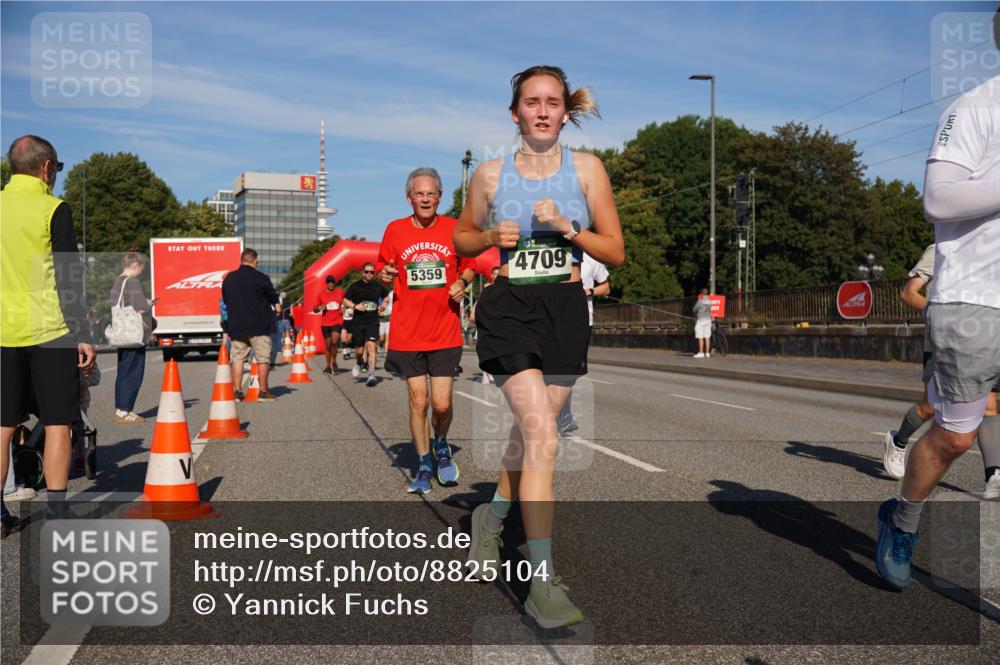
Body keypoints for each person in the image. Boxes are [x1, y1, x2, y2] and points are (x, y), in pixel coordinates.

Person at [454, 65, 624, 627]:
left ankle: (491, 517)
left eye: (553, 102)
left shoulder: (588, 169)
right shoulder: (490, 175)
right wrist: (487, 236)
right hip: (509, 309)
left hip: (565, 311)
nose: (544, 110)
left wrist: (570, 229)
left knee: (534, 432)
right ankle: (542, 583)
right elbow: (461, 237)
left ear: (565, 113)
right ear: (516, 113)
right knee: (544, 436)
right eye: (533, 101)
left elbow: (615, 252)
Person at [875, 67, 999, 590]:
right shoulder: (975, 107)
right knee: (956, 437)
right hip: (976, 299)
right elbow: (938, 199)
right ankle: (902, 521)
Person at [1, 134, 96, 533]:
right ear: (45, 168)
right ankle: (57, 514)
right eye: (56, 168)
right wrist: (82, 333)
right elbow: (68, 275)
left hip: (3, 330)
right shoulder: (54, 209)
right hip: (49, 329)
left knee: (2, 425)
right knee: (58, 421)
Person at [377, 167, 477, 493]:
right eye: (419, 193)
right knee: (419, 401)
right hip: (408, 331)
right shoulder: (395, 230)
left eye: (431, 193)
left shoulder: (454, 228)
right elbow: (381, 268)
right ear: (409, 198)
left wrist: (462, 283)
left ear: (439, 197)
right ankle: (423, 462)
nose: (425, 199)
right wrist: (385, 273)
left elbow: (471, 265)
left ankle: (441, 443)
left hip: (445, 330)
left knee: (442, 404)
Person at [882, 243, 1000, 492]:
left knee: (990, 403)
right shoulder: (940, 249)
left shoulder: (991, 249)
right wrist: (943, 315)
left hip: (984, 338)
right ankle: (898, 440)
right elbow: (909, 293)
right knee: (931, 406)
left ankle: (993, 476)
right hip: (944, 337)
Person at [556, 251, 610, 435]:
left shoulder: (591, 256)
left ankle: (563, 414)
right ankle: (558, 415)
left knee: (570, 370)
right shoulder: (554, 251)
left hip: (582, 320)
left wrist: (589, 291)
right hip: (553, 318)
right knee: (552, 368)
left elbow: (606, 288)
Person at [221, 248, 280, 401]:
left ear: (242, 260)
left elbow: (226, 300)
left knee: (238, 358)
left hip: (237, 326)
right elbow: (273, 296)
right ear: (255, 261)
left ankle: (237, 392)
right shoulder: (261, 278)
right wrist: (276, 305)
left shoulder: (229, 279)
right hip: (259, 326)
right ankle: (263, 392)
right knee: (263, 359)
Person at [109, 252, 154, 424]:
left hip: (122, 333)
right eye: (141, 268)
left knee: (123, 371)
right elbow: (140, 308)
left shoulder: (117, 282)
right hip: (133, 334)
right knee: (133, 372)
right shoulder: (132, 282)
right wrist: (148, 304)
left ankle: (121, 408)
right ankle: (125, 410)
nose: (141, 271)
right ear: (135, 265)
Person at [342, 262, 389, 387]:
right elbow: (345, 300)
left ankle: (371, 374)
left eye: (372, 272)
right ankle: (359, 362)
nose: (369, 274)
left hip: (373, 322)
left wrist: (383, 306)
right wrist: (355, 306)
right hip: (358, 323)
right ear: (363, 273)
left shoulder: (378, 286)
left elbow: (386, 298)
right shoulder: (355, 286)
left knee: (371, 347)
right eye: (367, 272)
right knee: (359, 351)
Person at [312, 275, 346, 374]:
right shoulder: (321, 294)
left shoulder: (340, 292)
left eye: (332, 282)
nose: (331, 284)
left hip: (337, 321)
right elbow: (314, 309)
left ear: (335, 283)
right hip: (325, 322)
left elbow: (348, 301)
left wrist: (344, 307)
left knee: (335, 341)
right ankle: (328, 365)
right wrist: (320, 307)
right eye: (329, 282)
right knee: (328, 344)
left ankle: (334, 362)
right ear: (326, 283)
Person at [692, 288, 712, 358]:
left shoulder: (700, 301)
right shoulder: (710, 301)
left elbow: (694, 309)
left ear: (702, 293)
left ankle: (701, 353)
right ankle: (707, 353)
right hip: (708, 319)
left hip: (701, 320)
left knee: (700, 337)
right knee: (707, 337)